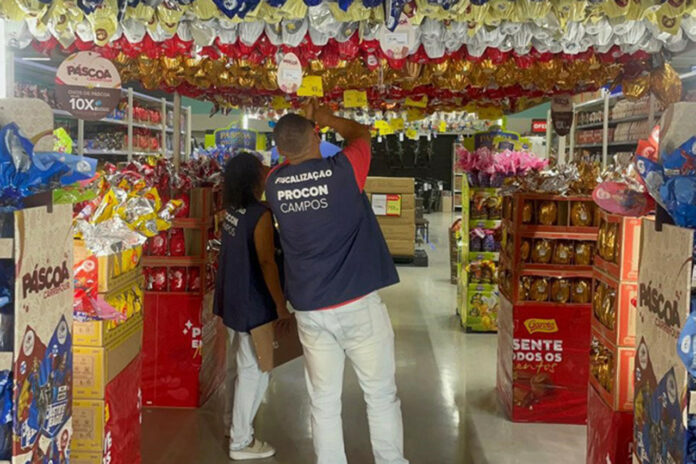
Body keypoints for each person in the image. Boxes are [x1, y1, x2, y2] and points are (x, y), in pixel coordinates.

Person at [266, 101, 408, 464]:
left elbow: (291, 157)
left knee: (323, 399)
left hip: (310, 309)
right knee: (380, 394)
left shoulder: (274, 183)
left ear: (279, 150)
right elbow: (361, 134)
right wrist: (326, 118)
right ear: (316, 136)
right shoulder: (344, 171)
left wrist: (306, 130)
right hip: (357, 304)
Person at [214, 151, 291, 461]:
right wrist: (281, 306)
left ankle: (231, 424)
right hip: (254, 303)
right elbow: (267, 262)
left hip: (233, 299)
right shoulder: (260, 216)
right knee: (255, 370)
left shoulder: (233, 211)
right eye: (262, 170)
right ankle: (241, 440)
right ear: (253, 178)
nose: (266, 173)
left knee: (238, 365)